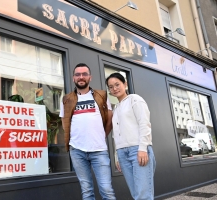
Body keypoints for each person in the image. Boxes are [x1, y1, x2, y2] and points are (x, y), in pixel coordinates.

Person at [59, 63, 116, 200]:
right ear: (73, 78)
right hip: (77, 150)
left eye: (84, 74)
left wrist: (102, 135)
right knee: (86, 190)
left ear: (90, 77)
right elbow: (64, 122)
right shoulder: (66, 99)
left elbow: (109, 119)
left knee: (107, 190)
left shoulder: (101, 95)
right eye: (78, 74)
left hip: (99, 150)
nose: (81, 77)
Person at [106, 72, 156, 200]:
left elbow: (144, 124)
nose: (114, 88)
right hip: (123, 153)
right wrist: (117, 155)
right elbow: (115, 135)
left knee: (143, 195)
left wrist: (143, 148)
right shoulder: (116, 108)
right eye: (111, 87)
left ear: (125, 84)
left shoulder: (135, 99)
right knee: (136, 194)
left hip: (137, 150)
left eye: (117, 84)